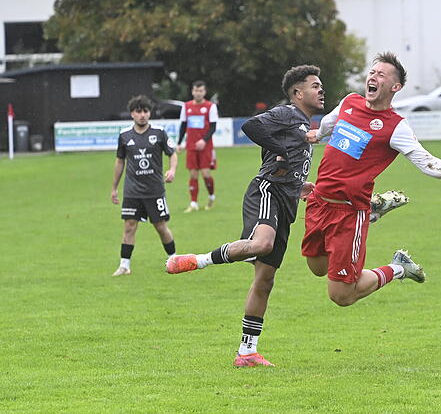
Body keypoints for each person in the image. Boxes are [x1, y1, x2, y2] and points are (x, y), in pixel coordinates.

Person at [302, 52, 441, 308]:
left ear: (395, 87)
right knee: (317, 267)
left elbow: (426, 161)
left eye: (381, 74)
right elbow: (330, 121)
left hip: (347, 213)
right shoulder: (350, 102)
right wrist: (319, 134)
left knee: (341, 295)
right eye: (372, 72)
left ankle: (398, 268)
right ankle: (373, 209)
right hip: (319, 201)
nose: (373, 77)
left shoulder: (395, 127)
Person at [165, 65, 325, 367]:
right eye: (315, 85)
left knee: (265, 281)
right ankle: (198, 260)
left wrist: (299, 184)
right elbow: (251, 126)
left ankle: (247, 352)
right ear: (297, 93)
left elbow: (285, 158)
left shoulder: (304, 125)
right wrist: (279, 149)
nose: (321, 90)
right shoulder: (288, 113)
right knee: (262, 244)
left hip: (287, 200)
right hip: (266, 191)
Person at [110, 95, 178, 276]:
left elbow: (172, 153)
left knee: (160, 227)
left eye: (145, 111)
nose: (142, 115)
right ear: (132, 113)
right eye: (138, 111)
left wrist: (172, 170)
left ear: (150, 113)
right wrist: (114, 188)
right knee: (129, 226)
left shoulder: (159, 132)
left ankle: (174, 259)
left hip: (155, 190)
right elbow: (119, 162)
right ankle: (124, 266)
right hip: (132, 191)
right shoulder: (124, 136)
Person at [177, 80, 219, 212]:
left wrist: (204, 140)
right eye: (196, 90)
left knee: (206, 173)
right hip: (191, 146)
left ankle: (211, 196)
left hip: (205, 147)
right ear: (192, 91)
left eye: (200, 91)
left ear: (204, 92)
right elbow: (183, 126)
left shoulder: (210, 106)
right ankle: (193, 203)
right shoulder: (186, 106)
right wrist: (179, 143)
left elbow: (213, 127)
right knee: (193, 175)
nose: (198, 93)